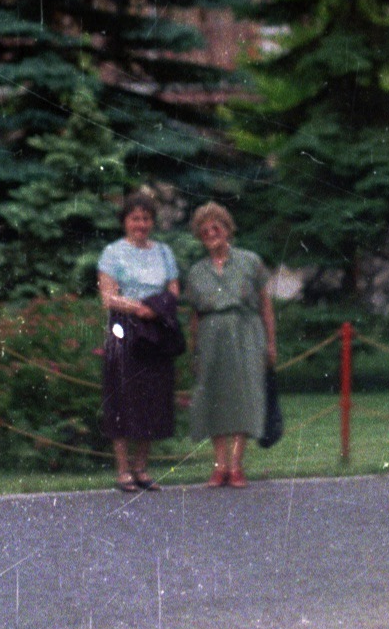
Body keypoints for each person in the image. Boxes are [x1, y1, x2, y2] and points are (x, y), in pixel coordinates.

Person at [185, 202, 276, 489]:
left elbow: (265, 305)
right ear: (200, 236)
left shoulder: (250, 261)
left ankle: (236, 466)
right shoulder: (196, 272)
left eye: (217, 228)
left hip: (246, 331)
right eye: (205, 230)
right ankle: (219, 465)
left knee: (245, 394)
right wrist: (195, 349)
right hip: (211, 335)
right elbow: (195, 315)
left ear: (227, 229)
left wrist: (270, 344)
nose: (212, 233)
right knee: (214, 395)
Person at [97, 190, 181, 493]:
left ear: (152, 222)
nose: (141, 224)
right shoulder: (112, 252)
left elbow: (173, 290)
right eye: (135, 218)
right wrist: (138, 308)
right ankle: (122, 471)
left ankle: (142, 468)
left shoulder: (164, 252)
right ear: (125, 221)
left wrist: (154, 309)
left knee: (152, 396)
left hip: (157, 327)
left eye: (146, 218)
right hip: (125, 328)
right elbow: (108, 296)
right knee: (122, 395)